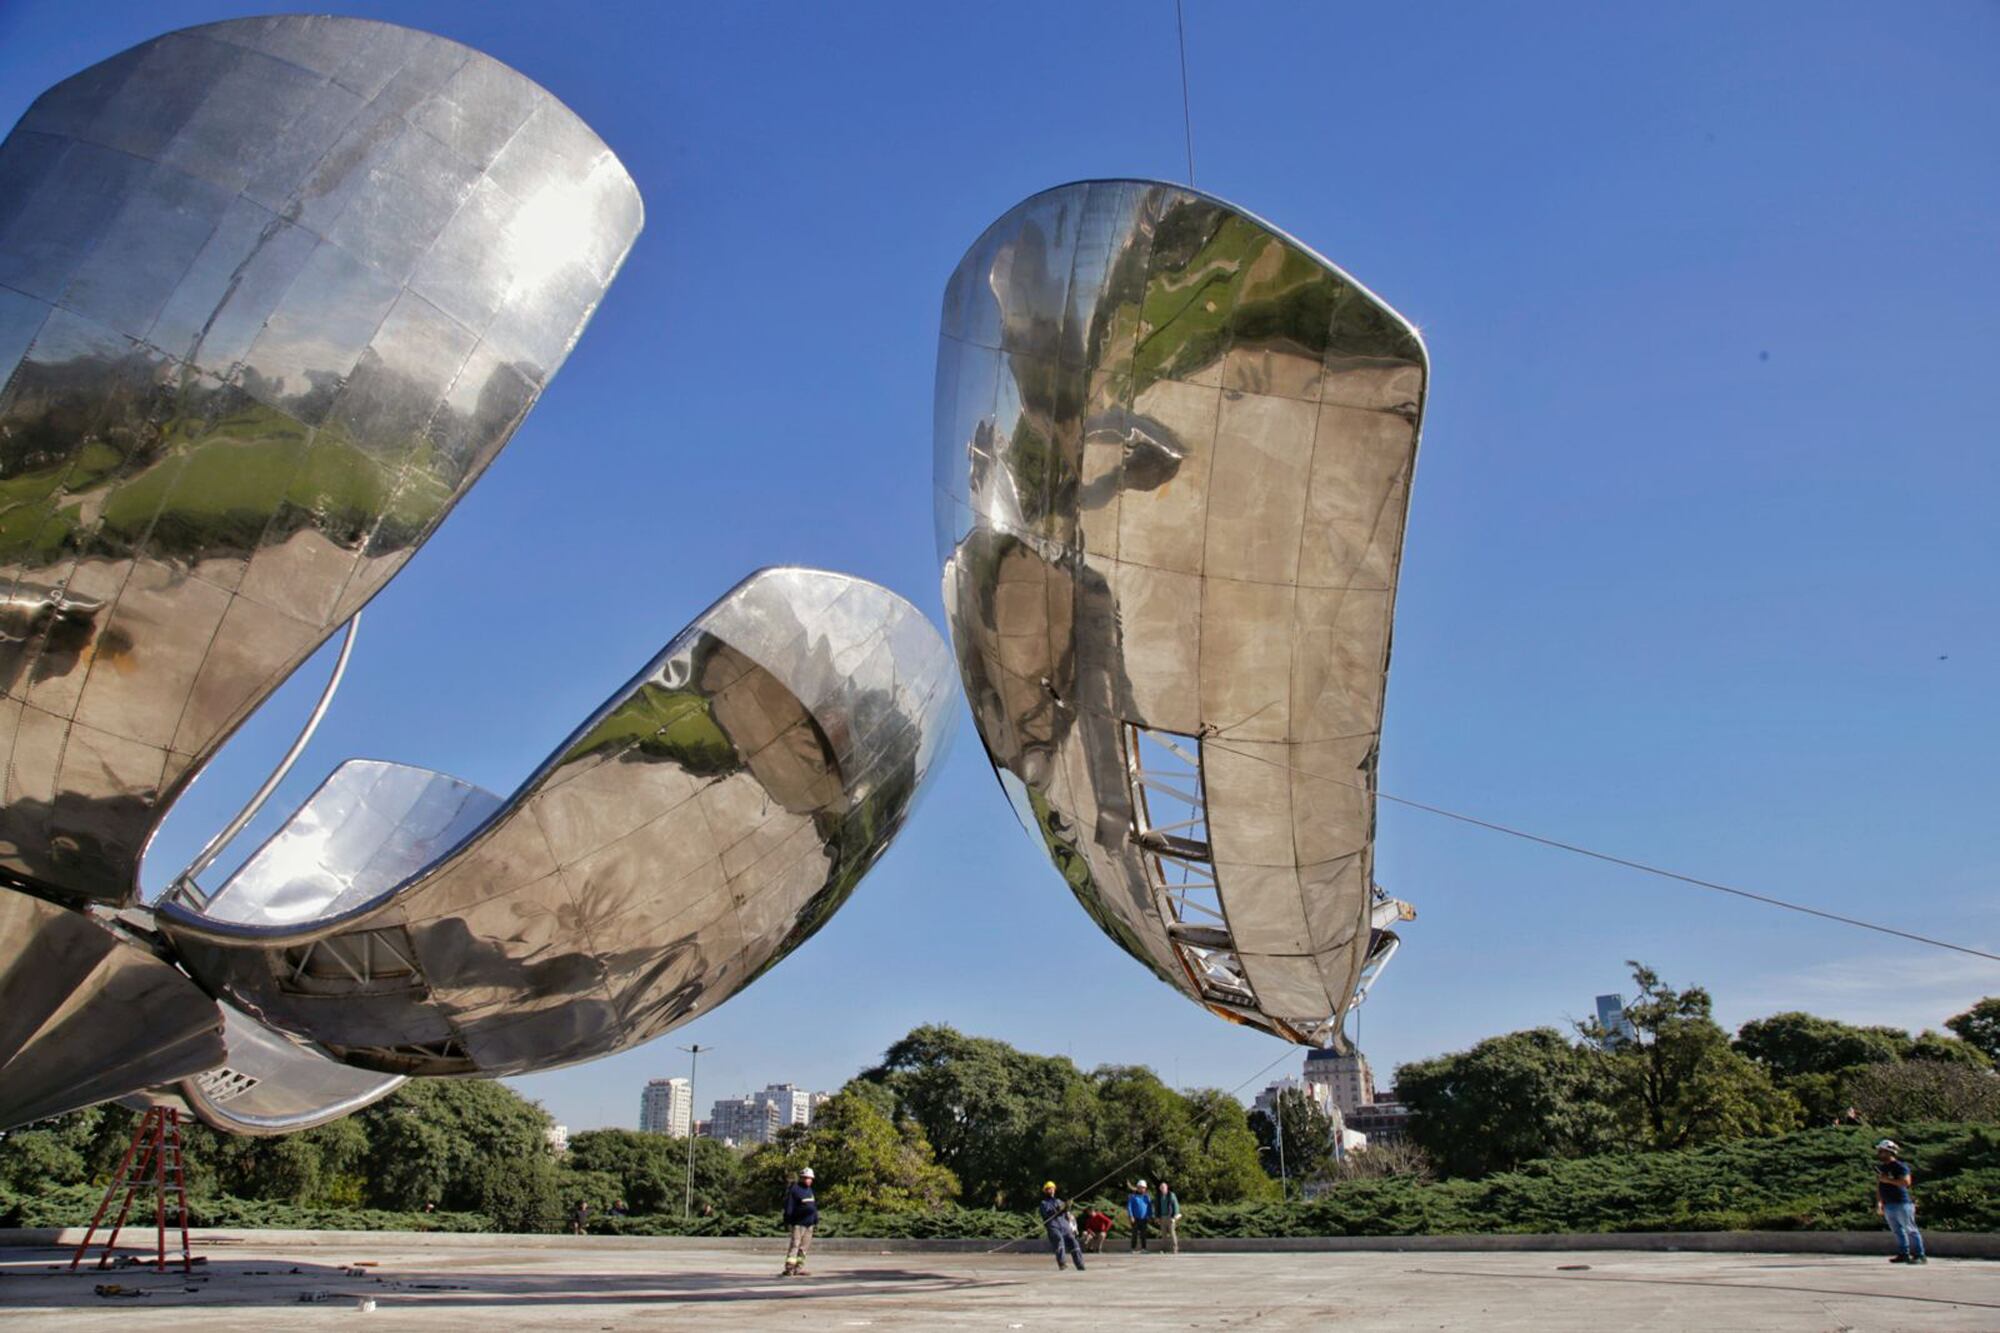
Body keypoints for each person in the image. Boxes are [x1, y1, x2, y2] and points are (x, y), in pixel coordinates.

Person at [1874, 1139, 1927, 1265]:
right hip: (1888, 1204)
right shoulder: (1882, 1168)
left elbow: (1906, 1182)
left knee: (1911, 1230)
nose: (1879, 1154)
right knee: (1897, 1231)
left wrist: (1888, 1180)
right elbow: (1879, 1185)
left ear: (1889, 1152)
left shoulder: (1900, 1166)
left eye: (1882, 1151)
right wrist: (1879, 1202)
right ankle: (1904, 1253)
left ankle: (1920, 1255)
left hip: (1902, 1203)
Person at [1038, 1181, 1087, 1271]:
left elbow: (1067, 1215)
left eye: (1052, 1188)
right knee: (1059, 1242)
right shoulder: (1043, 1203)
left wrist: (1068, 1208)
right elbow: (1047, 1214)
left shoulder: (1059, 1201)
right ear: (1045, 1191)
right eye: (1048, 1189)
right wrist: (1059, 1209)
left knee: (1074, 1242)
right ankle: (1062, 1264)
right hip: (1053, 1226)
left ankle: (1080, 1264)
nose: (1051, 1190)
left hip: (1064, 1226)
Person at [781, 1166, 819, 1276]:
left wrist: (815, 1220)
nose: (809, 1180)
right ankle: (789, 1268)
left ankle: (798, 1268)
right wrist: (787, 1221)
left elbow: (813, 1207)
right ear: (802, 1178)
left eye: (811, 1178)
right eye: (807, 1178)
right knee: (795, 1245)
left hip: (809, 1224)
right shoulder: (795, 1190)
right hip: (798, 1224)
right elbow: (789, 1207)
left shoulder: (810, 1190)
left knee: (804, 1248)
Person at [1152, 1179, 1181, 1254]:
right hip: (1162, 1217)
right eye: (1161, 1187)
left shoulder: (1171, 1195)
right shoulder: (1158, 1196)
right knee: (1163, 1234)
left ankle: (1175, 1248)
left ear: (1167, 1187)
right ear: (1160, 1189)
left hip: (1170, 1217)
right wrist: (1157, 1217)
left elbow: (1176, 1206)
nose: (1162, 1189)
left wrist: (1175, 1217)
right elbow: (1156, 1207)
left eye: (1164, 1187)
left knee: (1172, 1232)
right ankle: (1164, 1249)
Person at [1126, 1179, 1152, 1252]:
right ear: (1137, 1187)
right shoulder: (1133, 1196)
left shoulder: (1147, 1197)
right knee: (1134, 1234)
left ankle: (1144, 1248)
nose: (1142, 1189)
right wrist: (1131, 1216)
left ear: (1145, 1188)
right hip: (1135, 1218)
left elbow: (1149, 1207)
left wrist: (1150, 1216)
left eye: (1143, 1187)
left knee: (1143, 1235)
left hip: (1144, 1218)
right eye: (1140, 1187)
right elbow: (1129, 1207)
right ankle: (1133, 1248)